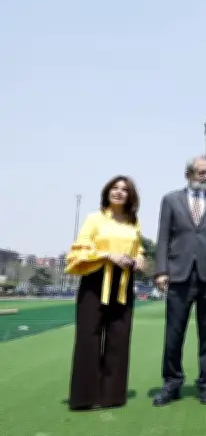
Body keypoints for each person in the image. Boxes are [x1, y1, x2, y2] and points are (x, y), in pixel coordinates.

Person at [65, 175, 148, 411]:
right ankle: (84, 397)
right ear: (107, 192)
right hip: (95, 280)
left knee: (119, 338)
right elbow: (80, 248)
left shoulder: (133, 222)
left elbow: (137, 247)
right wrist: (107, 255)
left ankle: (112, 396)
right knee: (88, 337)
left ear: (130, 196)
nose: (119, 192)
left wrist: (140, 258)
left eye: (124, 189)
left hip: (123, 283)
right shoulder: (94, 219)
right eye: (115, 188)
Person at [152, 157, 206, 407]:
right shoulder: (171, 200)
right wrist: (161, 271)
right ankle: (172, 382)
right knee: (174, 332)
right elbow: (163, 237)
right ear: (188, 173)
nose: (205, 176)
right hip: (179, 274)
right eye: (200, 172)